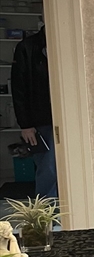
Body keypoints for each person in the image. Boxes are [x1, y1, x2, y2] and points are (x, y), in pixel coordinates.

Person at [11, 26, 58, 200]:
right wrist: (26, 125)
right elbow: (19, 88)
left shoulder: (67, 43)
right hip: (41, 121)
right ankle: (49, 221)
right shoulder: (27, 47)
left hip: (69, 118)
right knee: (48, 171)